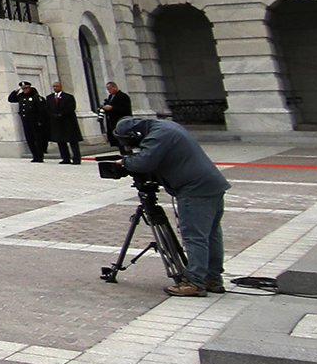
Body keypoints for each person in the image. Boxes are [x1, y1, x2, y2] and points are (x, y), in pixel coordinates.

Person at [112, 116, 231, 296]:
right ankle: (212, 278)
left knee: (195, 236)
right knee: (211, 234)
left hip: (195, 190)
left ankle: (195, 282)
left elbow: (145, 163)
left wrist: (125, 162)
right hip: (211, 185)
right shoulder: (166, 126)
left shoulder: (158, 135)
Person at [8, 81, 50, 163]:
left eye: (26, 88)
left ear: (29, 88)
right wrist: (15, 92)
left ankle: (40, 156)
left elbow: (41, 110)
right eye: (23, 89)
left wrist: (40, 121)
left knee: (38, 139)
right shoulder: (21, 96)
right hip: (26, 121)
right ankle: (34, 155)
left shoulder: (36, 97)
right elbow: (11, 99)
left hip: (35, 121)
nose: (25, 90)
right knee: (29, 139)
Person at [46, 81, 84, 165]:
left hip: (68, 122)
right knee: (60, 141)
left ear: (61, 87)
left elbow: (71, 108)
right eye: (54, 87)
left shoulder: (68, 97)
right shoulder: (49, 98)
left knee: (72, 141)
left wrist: (60, 114)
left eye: (57, 86)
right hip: (57, 123)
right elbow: (47, 108)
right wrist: (53, 115)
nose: (55, 88)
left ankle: (76, 158)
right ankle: (65, 158)